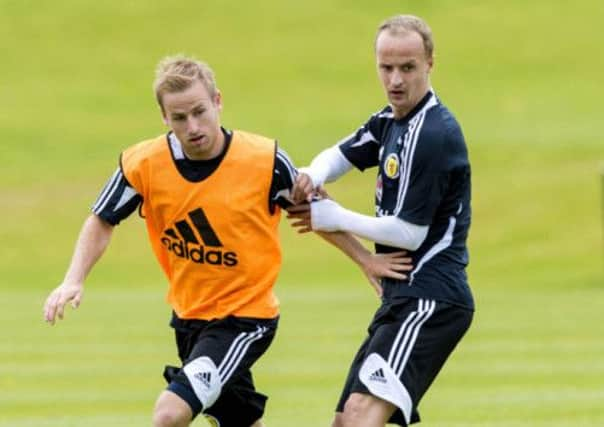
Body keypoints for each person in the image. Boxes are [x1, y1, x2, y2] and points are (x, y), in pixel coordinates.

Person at [43, 55, 412, 427]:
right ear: (164, 119)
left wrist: (365, 258)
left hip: (245, 318)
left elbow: (316, 211)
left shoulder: (263, 161)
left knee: (169, 414)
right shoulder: (143, 163)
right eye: (179, 118)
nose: (193, 127)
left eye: (200, 111)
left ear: (218, 101)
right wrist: (74, 278)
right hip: (189, 319)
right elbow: (101, 219)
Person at [288, 15, 474, 427]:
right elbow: (341, 154)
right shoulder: (391, 120)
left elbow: (410, 233)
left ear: (430, 64)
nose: (395, 80)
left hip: (431, 297)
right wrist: (313, 177)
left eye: (407, 67)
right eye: (386, 68)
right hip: (402, 296)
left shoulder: (433, 133)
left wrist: (333, 216)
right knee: (345, 421)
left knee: (359, 419)